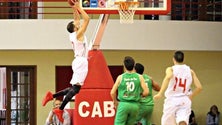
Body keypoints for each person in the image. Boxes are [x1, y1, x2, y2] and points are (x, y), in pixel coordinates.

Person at [42, 2, 90, 123]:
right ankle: (60, 108)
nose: (78, 23)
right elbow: (87, 19)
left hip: (78, 61)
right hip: (80, 61)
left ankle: (51, 96)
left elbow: (76, 18)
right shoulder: (78, 34)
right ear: (75, 28)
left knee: (74, 88)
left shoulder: (73, 34)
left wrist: (74, 7)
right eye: (76, 24)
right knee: (76, 89)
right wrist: (79, 8)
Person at [154, 51, 203, 125]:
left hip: (172, 99)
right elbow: (199, 87)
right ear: (183, 59)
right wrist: (191, 96)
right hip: (184, 99)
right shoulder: (190, 71)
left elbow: (168, 77)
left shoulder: (171, 69)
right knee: (182, 121)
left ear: (173, 59)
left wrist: (160, 93)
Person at [110, 56, 149, 125]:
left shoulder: (121, 77)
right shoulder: (139, 77)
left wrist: (115, 101)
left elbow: (112, 92)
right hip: (135, 105)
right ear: (134, 65)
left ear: (124, 66)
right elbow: (146, 92)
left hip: (124, 104)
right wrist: (140, 95)